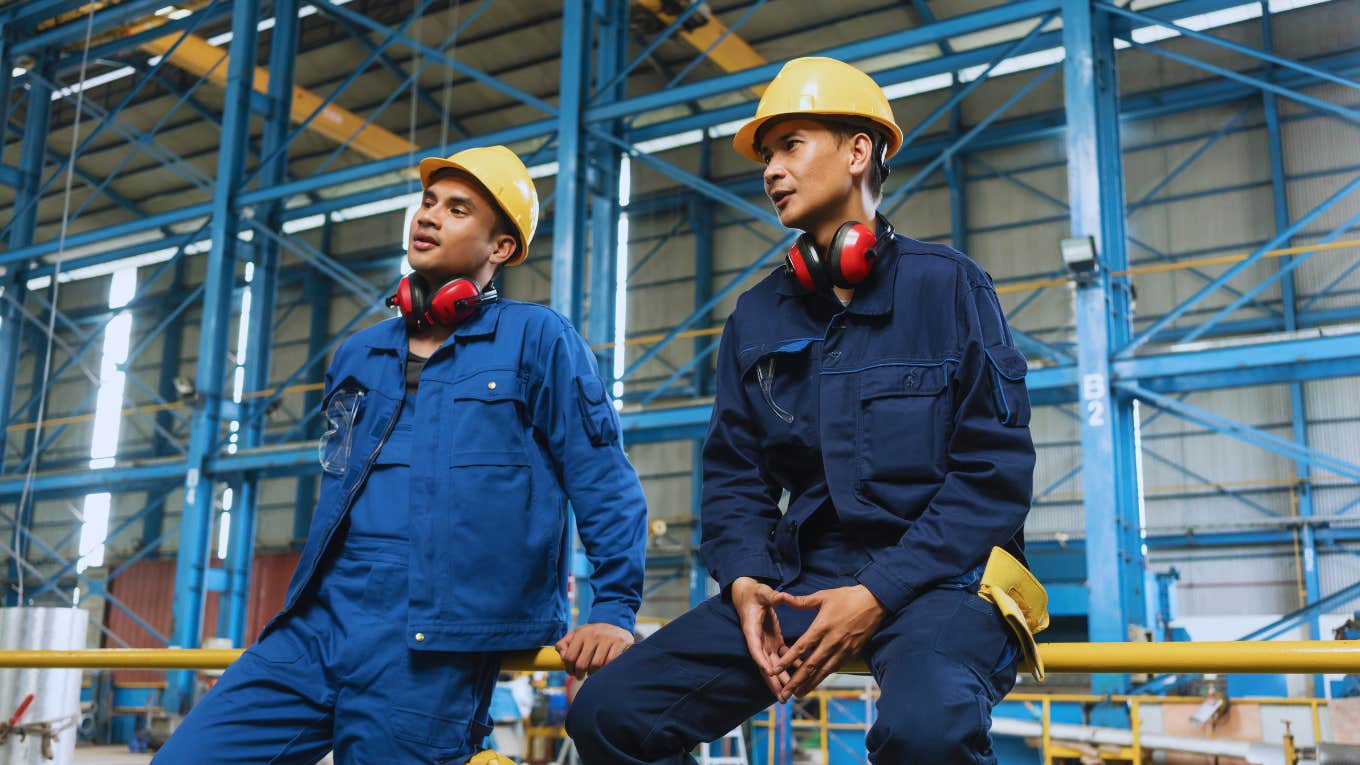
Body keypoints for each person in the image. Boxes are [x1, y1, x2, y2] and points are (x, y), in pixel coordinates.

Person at [565, 57, 1036, 764]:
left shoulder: (950, 288)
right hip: (801, 586)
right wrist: (747, 577)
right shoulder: (756, 317)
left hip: (946, 579)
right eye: (766, 154)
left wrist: (878, 592)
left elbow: (992, 476)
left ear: (857, 152)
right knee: (608, 713)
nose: (770, 170)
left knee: (926, 733)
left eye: (790, 145)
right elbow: (734, 473)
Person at [155, 145, 648, 764]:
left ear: (500, 248)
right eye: (428, 201)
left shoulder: (537, 339)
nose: (430, 216)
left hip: (433, 643)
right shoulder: (359, 353)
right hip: (319, 624)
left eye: (458, 208)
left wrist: (613, 609)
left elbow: (602, 478)